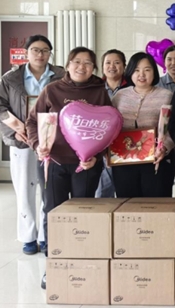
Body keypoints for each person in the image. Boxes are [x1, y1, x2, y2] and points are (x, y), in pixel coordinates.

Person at [26, 47, 111, 289]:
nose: (81, 67)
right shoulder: (52, 90)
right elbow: (32, 121)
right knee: (53, 213)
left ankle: (81, 261)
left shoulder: (100, 92)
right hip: (54, 163)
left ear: (94, 68)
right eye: (76, 62)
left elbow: (109, 128)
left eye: (87, 63)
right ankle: (54, 264)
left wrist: (97, 157)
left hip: (86, 164)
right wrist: (38, 145)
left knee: (83, 214)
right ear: (67, 64)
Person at [0, 35, 64, 256]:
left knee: (49, 188)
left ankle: (46, 235)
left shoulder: (61, 75)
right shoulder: (11, 78)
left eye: (45, 50)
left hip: (52, 141)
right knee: (24, 188)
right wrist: (14, 131)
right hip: (22, 140)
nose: (40, 54)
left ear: (50, 53)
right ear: (27, 52)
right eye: (35, 50)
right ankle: (29, 236)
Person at [111, 52, 175, 198]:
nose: (142, 74)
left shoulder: (166, 95)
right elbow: (110, 126)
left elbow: (173, 127)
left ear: (154, 72)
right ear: (130, 72)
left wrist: (165, 147)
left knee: (155, 204)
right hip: (124, 160)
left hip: (156, 159)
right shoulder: (119, 96)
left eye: (147, 70)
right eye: (136, 70)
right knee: (127, 203)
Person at [96, 49, 128, 198]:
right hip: (100, 144)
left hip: (125, 143)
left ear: (124, 66)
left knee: (125, 190)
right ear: (102, 66)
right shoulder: (95, 88)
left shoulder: (132, 87)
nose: (112, 66)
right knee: (102, 191)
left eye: (117, 62)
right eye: (108, 63)